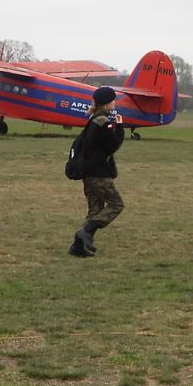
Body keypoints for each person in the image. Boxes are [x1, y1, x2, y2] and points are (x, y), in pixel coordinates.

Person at [69, 86, 125, 258]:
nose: (114, 103)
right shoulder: (103, 122)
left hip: (88, 172)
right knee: (116, 204)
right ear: (107, 103)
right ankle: (86, 231)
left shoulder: (93, 119)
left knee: (95, 209)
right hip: (99, 173)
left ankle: (78, 246)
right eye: (113, 100)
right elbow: (113, 145)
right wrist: (120, 127)